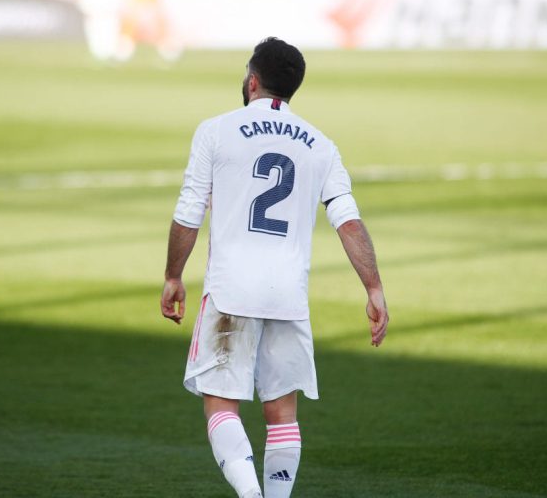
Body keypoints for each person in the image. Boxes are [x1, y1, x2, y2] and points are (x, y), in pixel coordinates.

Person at [160, 37, 388, 498]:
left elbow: (189, 212)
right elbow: (348, 221)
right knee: (282, 414)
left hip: (231, 291)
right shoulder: (320, 144)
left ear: (252, 80)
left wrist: (172, 276)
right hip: (288, 295)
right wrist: (374, 287)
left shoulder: (216, 130)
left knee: (221, 406)